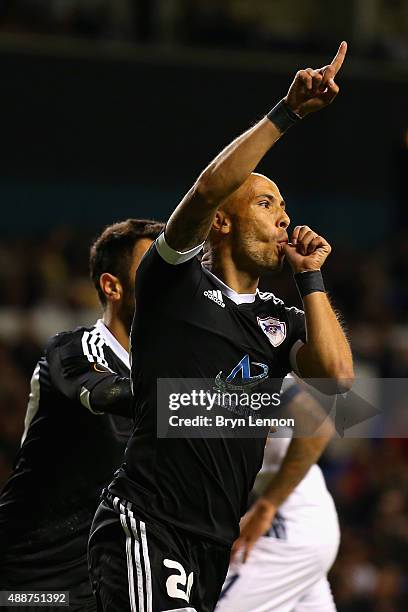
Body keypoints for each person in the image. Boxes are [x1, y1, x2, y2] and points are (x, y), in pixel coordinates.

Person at [89, 42, 353, 612]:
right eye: (265, 202)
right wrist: (287, 113)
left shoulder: (279, 321)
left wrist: (312, 280)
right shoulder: (172, 280)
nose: (283, 214)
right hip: (147, 523)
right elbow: (210, 186)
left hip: (213, 542)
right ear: (224, 222)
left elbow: (335, 378)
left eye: (284, 205)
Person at [0, 219, 163, 611]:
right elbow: (106, 393)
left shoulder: (175, 372)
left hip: (109, 584)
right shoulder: (72, 351)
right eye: (155, 269)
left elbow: (322, 408)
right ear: (112, 286)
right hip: (32, 584)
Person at [216, 376, 340, 612]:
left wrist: (268, 506)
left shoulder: (251, 364)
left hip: (287, 527)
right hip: (302, 528)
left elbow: (317, 428)